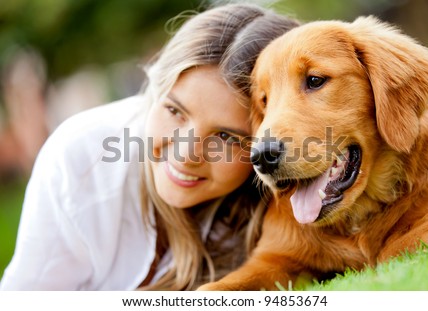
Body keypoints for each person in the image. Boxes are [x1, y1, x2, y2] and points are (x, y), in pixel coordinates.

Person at [0, 3, 299, 290]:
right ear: (154, 91)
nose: (186, 154)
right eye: (174, 111)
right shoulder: (80, 160)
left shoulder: (269, 206)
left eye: (226, 137)